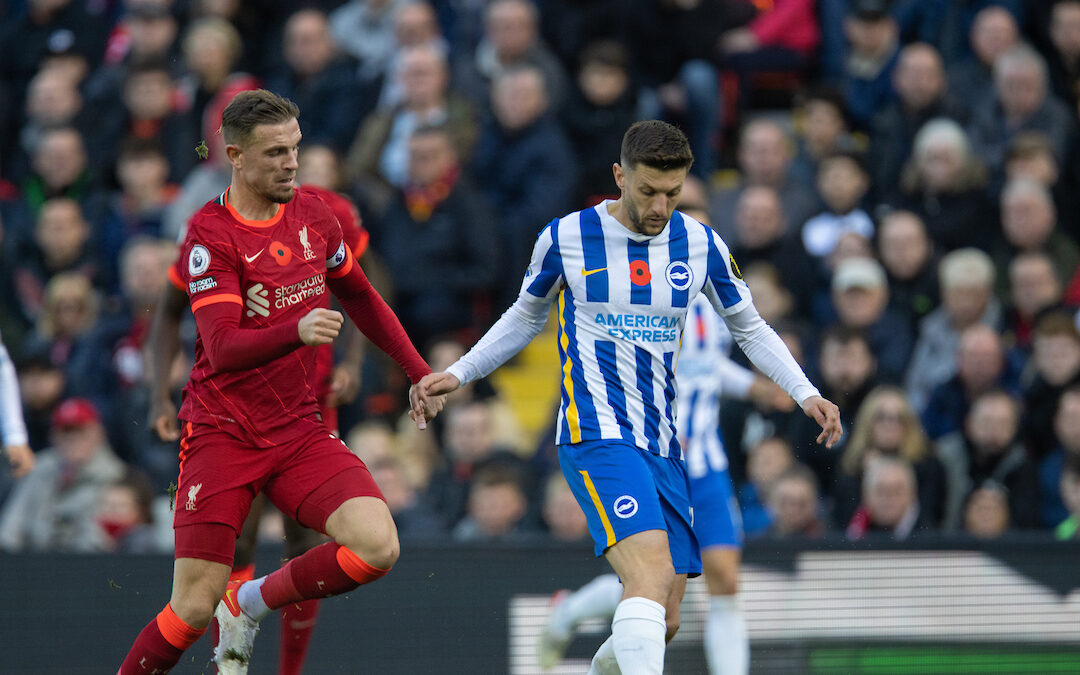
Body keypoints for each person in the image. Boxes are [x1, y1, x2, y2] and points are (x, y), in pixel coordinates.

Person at [418, 120, 841, 674]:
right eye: (648, 191)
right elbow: (526, 315)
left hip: (664, 444)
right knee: (645, 578)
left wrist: (805, 391)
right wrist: (460, 371)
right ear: (619, 176)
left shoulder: (701, 244)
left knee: (662, 615)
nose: (661, 206)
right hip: (596, 432)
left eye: (673, 193)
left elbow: (751, 328)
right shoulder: (567, 237)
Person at [117, 89, 442, 674]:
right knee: (191, 608)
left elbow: (362, 297)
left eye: (295, 148)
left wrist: (419, 372)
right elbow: (221, 347)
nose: (291, 163)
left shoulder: (317, 213)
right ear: (235, 156)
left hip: (296, 428)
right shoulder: (210, 236)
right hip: (221, 432)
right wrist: (297, 329)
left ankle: (247, 602)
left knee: (378, 545)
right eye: (275, 154)